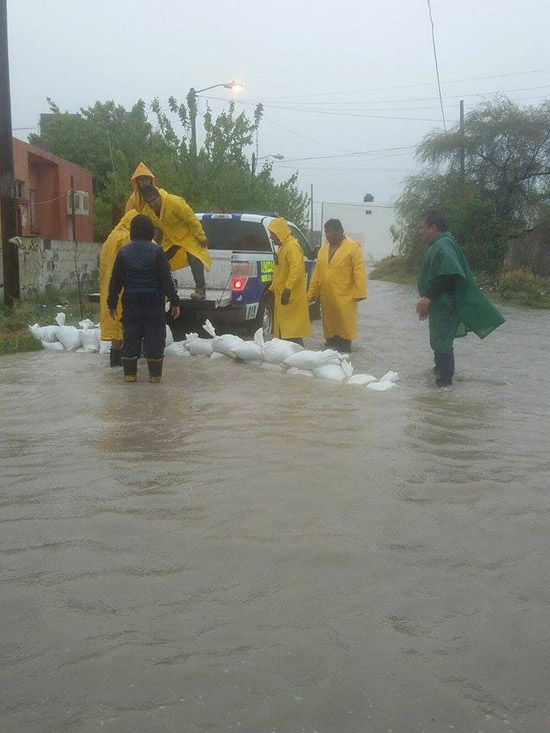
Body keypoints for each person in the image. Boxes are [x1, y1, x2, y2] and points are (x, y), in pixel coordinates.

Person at [416, 210, 505, 387]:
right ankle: (439, 374)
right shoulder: (440, 243)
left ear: (433, 228)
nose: (420, 232)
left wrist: (427, 297)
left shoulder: (443, 245)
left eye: (422, 227)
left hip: (444, 303)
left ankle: (444, 385)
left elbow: (447, 274)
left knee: (442, 342)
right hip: (440, 303)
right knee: (440, 340)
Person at [108, 214, 181, 383]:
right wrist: (175, 301)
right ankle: (154, 377)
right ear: (150, 231)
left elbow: (115, 280)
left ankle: (130, 375)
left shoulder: (124, 252)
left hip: (131, 303)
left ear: (132, 231)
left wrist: (111, 304)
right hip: (153, 303)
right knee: (155, 337)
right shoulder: (157, 252)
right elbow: (166, 280)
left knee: (131, 337)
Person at [140, 185, 211, 300]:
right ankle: (163, 288)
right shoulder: (147, 211)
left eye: (154, 200)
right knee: (159, 260)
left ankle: (200, 290)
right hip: (170, 240)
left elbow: (191, 219)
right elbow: (143, 224)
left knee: (195, 258)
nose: (152, 204)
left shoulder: (174, 202)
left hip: (188, 237)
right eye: (149, 202)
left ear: (159, 196)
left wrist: (201, 237)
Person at [308, 219, 366, 352]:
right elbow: (317, 273)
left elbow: (359, 272)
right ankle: (330, 350)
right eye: (326, 232)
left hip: (345, 295)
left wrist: (360, 293)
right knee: (329, 325)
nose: (327, 235)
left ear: (340, 232)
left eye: (330, 232)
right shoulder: (323, 248)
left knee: (345, 327)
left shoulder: (353, 247)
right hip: (327, 296)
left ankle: (345, 352)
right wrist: (312, 294)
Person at [99, 209, 140, 366]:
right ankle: (125, 366)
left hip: (109, 288)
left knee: (114, 329)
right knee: (126, 328)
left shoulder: (111, 237)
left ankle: (114, 364)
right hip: (124, 289)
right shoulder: (127, 238)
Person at [267, 217, 311, 345]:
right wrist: (273, 289)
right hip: (283, 296)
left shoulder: (292, 247)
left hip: (290, 297)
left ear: (280, 232)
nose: (271, 238)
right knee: (285, 332)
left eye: (272, 234)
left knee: (292, 334)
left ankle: (298, 360)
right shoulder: (283, 247)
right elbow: (280, 272)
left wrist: (288, 289)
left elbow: (296, 269)